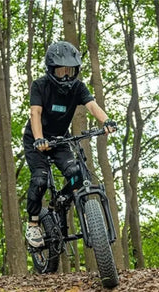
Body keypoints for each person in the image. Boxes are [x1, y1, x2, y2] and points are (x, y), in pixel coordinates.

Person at [22, 40, 117, 247]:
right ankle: (33, 223)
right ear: (50, 70)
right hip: (36, 139)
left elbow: (92, 105)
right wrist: (39, 139)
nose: (66, 76)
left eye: (70, 71)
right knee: (40, 179)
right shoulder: (40, 86)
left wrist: (106, 120)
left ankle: (78, 208)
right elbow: (35, 113)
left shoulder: (78, 88)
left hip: (60, 139)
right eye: (60, 71)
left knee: (75, 171)